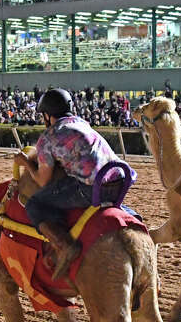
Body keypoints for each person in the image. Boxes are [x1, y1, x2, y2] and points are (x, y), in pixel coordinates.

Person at [16, 88, 123, 279]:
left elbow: (43, 180)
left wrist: (25, 163)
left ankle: (64, 245)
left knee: (35, 203)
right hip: (119, 182)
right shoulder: (82, 123)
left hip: (91, 189)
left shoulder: (48, 138)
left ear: (48, 115)